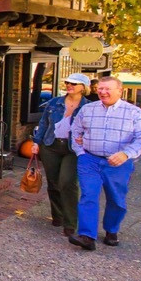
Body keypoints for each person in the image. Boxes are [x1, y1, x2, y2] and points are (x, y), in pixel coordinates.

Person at [68, 76, 141, 251]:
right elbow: (75, 130)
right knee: (88, 195)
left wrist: (126, 154)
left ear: (119, 91)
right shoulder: (87, 110)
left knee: (116, 199)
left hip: (118, 163)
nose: (103, 92)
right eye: (100, 88)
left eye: (107, 89)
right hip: (90, 159)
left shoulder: (134, 113)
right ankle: (87, 236)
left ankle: (111, 229)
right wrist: (81, 153)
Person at [32, 73, 94, 237]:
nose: (69, 86)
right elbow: (44, 123)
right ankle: (57, 215)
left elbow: (92, 129)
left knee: (67, 182)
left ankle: (70, 222)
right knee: (53, 183)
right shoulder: (54, 103)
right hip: (51, 145)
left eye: (74, 83)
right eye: (67, 83)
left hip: (73, 149)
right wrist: (36, 142)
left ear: (83, 87)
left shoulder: (88, 107)